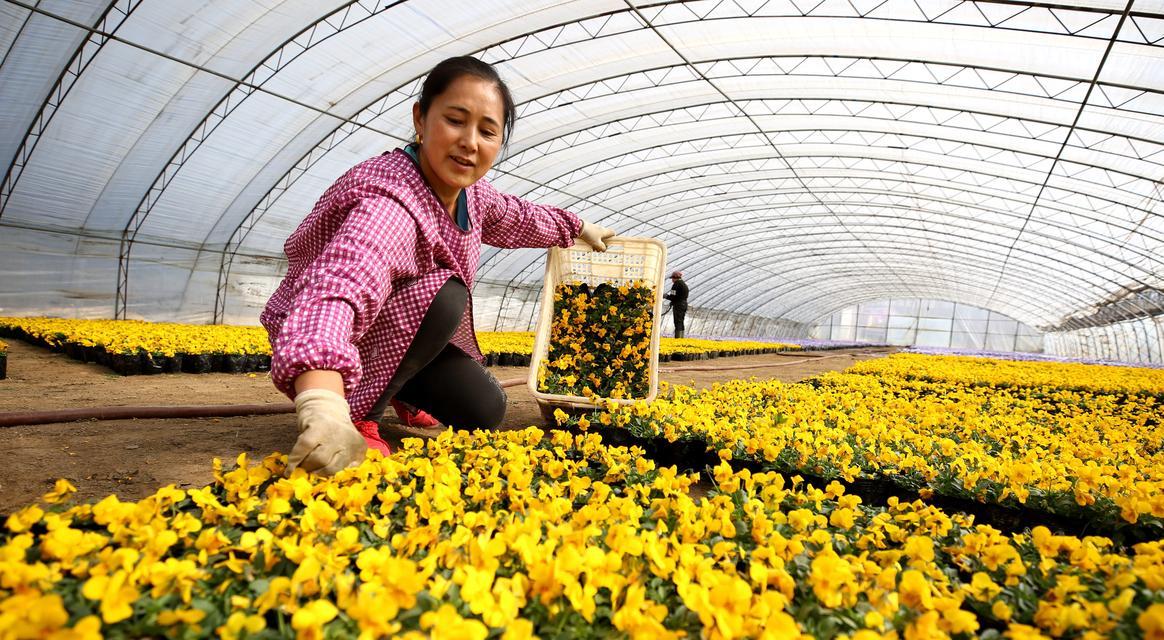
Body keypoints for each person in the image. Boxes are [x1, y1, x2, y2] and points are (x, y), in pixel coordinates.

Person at [261, 56, 616, 475]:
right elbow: (341, 286)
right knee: (445, 294)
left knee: (484, 410)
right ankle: (359, 410)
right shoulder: (389, 201)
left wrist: (575, 227)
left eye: (487, 131)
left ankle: (400, 389)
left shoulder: (473, 195)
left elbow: (516, 215)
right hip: (341, 336)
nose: (470, 142)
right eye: (455, 120)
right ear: (420, 119)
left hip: (402, 332)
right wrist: (323, 403)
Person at [663, 271, 689, 339]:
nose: (672, 280)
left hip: (678, 305)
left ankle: (678, 338)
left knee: (677, 321)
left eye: (672, 278)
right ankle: (681, 338)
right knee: (681, 321)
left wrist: (665, 296)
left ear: (675, 278)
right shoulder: (684, 284)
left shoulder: (676, 284)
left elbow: (672, 296)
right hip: (684, 304)